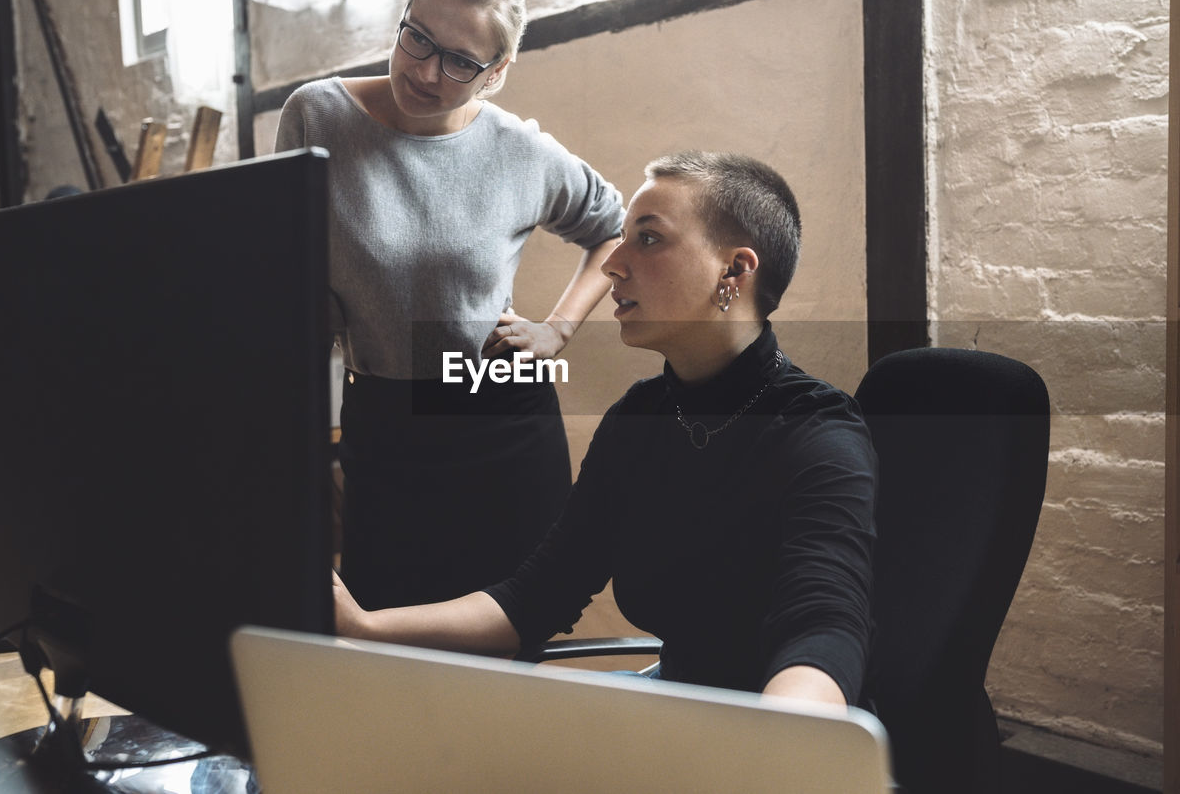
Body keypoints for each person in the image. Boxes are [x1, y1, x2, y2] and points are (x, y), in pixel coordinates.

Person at [333, 151, 877, 707]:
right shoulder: (639, 419)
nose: (614, 264)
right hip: (674, 702)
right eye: (620, 239)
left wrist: (783, 738)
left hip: (774, 735)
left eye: (647, 239)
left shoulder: (818, 430)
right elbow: (534, 597)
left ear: (734, 271)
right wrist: (363, 627)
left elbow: (825, 627)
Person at [275, 0, 624, 610]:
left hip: (504, 423)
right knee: (386, 641)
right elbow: (293, 286)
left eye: (460, 61)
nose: (425, 71)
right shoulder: (316, 117)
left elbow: (615, 228)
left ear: (497, 72)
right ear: (402, 21)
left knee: (514, 642)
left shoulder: (521, 152)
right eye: (418, 39)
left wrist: (557, 329)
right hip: (383, 421)